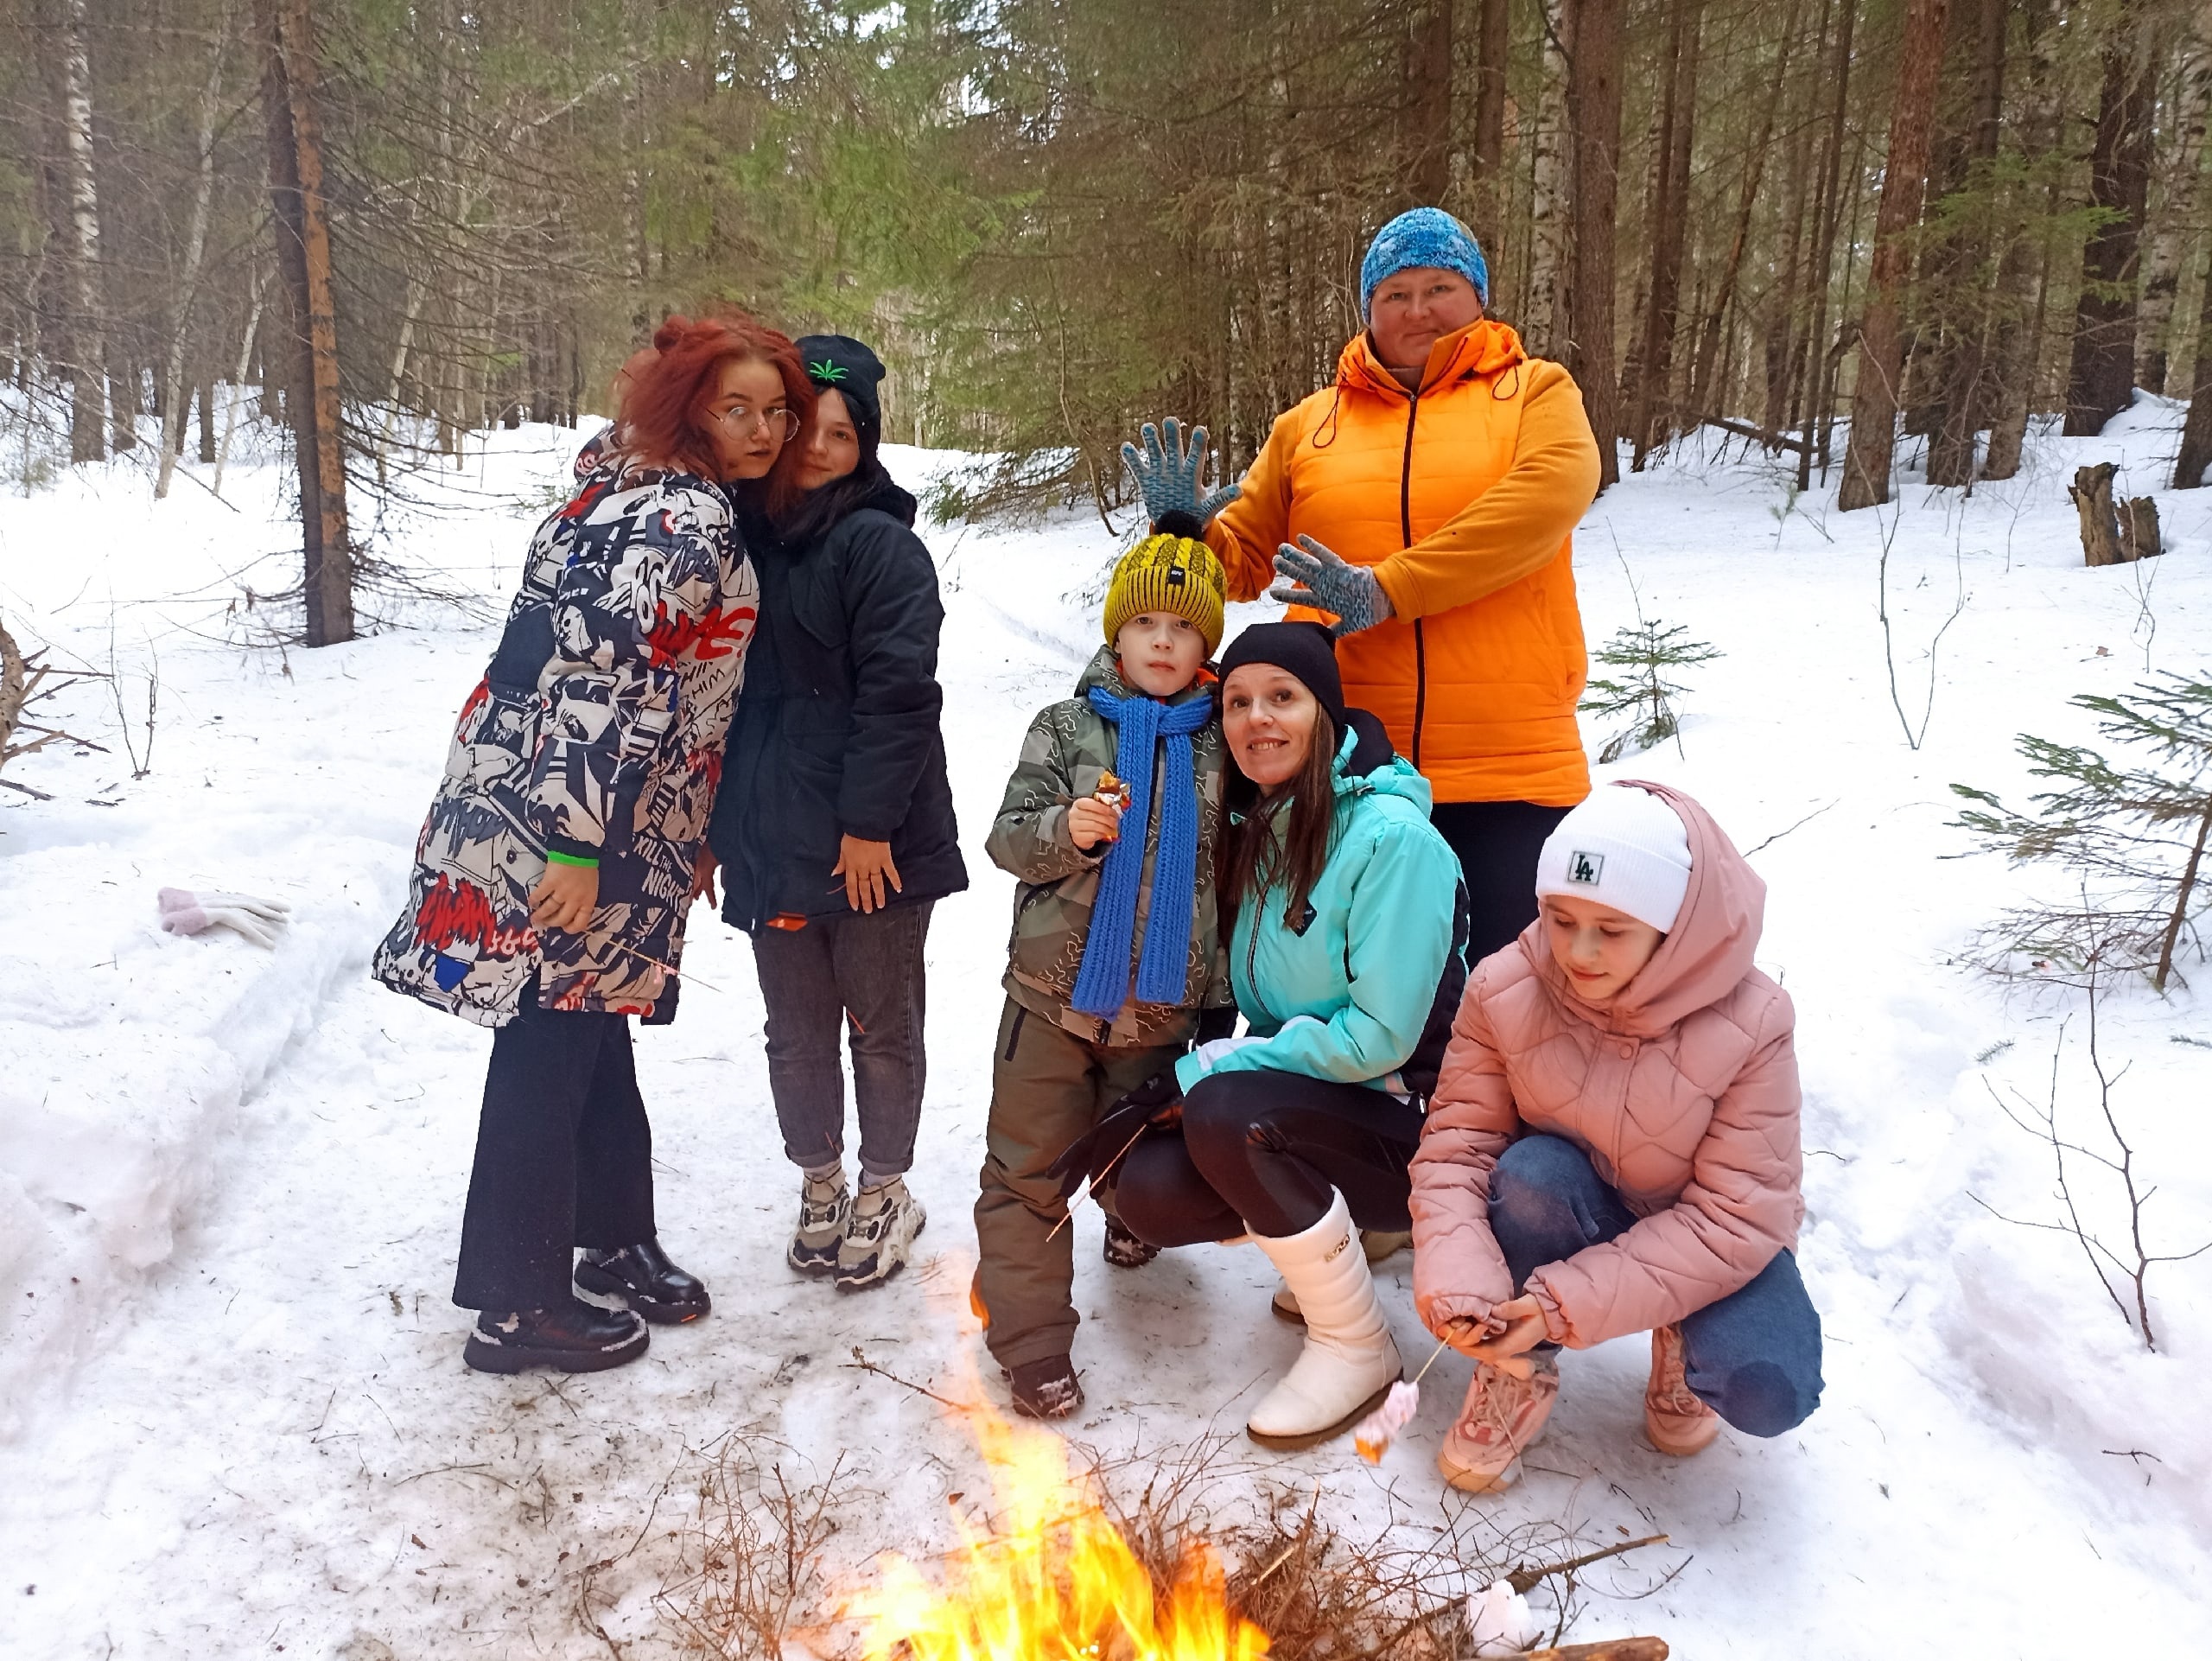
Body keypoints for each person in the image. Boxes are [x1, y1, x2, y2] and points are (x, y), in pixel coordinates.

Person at [372, 312, 814, 1375]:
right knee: (546, 1034)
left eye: (777, 411)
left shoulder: (626, 484)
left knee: (588, 1014)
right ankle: (515, 1304)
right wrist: (575, 848)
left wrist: (679, 830)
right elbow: (597, 687)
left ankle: (610, 1235)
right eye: (737, 408)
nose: (763, 430)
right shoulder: (679, 518)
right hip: (576, 814)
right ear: (688, 409)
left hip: (582, 800)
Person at [1122, 207, 1602, 963]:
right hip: (1344, 772)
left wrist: (1388, 589)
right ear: (1367, 309)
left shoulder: (1536, 393)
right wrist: (1187, 531)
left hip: (1510, 773)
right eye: (1394, 294)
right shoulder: (1310, 426)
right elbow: (1243, 563)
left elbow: (1544, 503)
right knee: (1341, 996)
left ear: (1477, 296)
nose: (1418, 310)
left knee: (1507, 1002)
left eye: (1439, 288)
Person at [1102, 622, 1467, 1450]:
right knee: (1150, 1189)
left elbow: (1380, 1038)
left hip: (1424, 1123)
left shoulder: (1392, 840)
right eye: (1236, 702)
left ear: (1324, 714)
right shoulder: (1265, 826)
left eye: (1282, 698)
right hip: (1333, 1104)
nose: (1256, 719)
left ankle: (1356, 1344)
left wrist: (1215, 1068)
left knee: (1229, 1113)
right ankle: (1328, 1249)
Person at [1408, 782, 1824, 1492]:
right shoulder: (1504, 988)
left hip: (1709, 1239)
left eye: (1613, 929)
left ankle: (1681, 1330)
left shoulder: (1753, 1022)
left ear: (1672, 928)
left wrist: (1559, 1304)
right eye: (1561, 918)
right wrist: (1461, 1281)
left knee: (1766, 1387)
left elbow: (1735, 1217)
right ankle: (1515, 1367)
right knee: (1532, 1173)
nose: (1579, 950)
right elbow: (1457, 1147)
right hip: (1573, 1199)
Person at [704, 334, 966, 1292]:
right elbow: (715, 704)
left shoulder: (879, 546)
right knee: (796, 1030)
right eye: (803, 426)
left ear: (866, 446)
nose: (816, 447)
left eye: (841, 433)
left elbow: (900, 695)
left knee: (879, 1025)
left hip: (872, 848)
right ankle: (820, 1182)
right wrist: (713, 833)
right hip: (773, 842)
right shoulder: (733, 539)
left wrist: (868, 825)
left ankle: (885, 1187)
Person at [974, 531, 1237, 1421]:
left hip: (1160, 1012)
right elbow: (1007, 838)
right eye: (1146, 622)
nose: (1163, 640)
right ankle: (1031, 1342)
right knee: (1026, 1173)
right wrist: (1066, 828)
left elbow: (1236, 881)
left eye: (1184, 627)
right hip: (1049, 1001)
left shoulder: (1223, 747)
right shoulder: (1064, 726)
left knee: (1135, 1162)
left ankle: (1128, 1218)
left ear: (1206, 645)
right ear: (1116, 633)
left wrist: (1218, 1004)